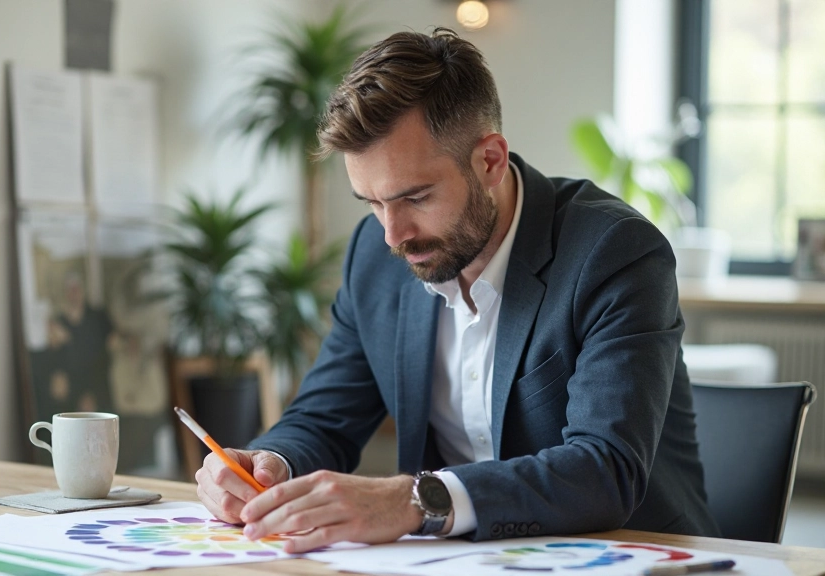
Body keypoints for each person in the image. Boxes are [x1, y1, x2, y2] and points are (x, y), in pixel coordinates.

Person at [195, 28, 719, 553]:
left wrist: (415, 500)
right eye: (371, 203)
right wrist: (267, 465)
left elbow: (605, 469)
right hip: (462, 561)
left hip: (630, 554)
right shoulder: (375, 255)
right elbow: (324, 416)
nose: (392, 235)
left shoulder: (614, 252)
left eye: (415, 197)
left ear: (489, 160)